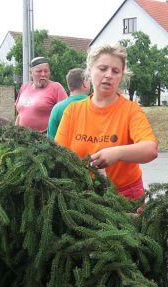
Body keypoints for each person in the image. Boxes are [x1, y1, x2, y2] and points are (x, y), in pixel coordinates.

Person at [55, 44, 158, 200]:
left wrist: (117, 153)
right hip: (81, 195)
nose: (108, 75)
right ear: (89, 71)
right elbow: (57, 155)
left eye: (115, 71)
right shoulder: (72, 111)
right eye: (103, 69)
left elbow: (150, 149)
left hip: (125, 195)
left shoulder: (131, 110)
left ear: (122, 76)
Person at [15, 56, 68, 132]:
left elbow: (67, 114)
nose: (43, 74)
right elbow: (20, 114)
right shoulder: (24, 87)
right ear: (31, 73)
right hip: (22, 139)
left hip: (45, 141)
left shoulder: (56, 88)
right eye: (39, 71)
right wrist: (14, 133)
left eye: (46, 71)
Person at [47, 68, 90, 139]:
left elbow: (51, 139)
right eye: (89, 81)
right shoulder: (95, 105)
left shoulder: (57, 108)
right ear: (84, 84)